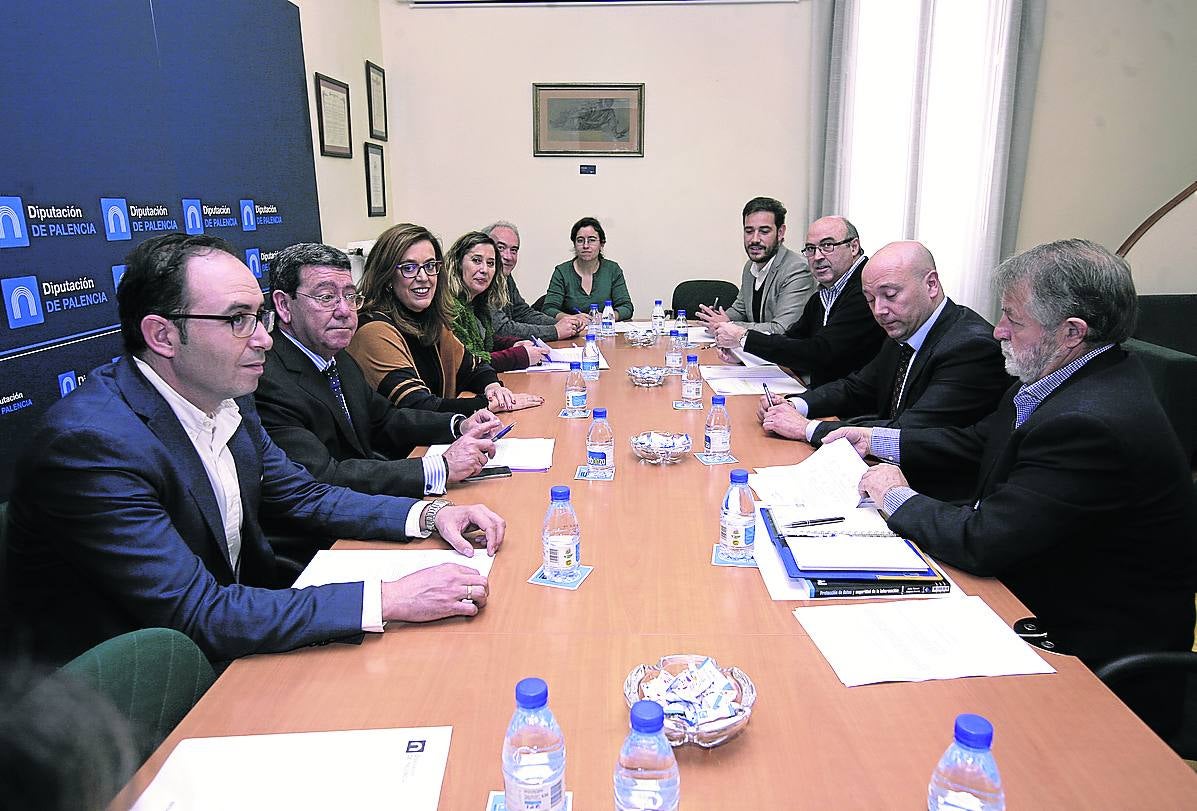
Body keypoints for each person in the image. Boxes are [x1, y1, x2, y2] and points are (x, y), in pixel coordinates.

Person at [1, 233, 506, 666]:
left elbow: (307, 497)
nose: (265, 338)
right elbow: (197, 613)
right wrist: (388, 598)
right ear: (163, 335)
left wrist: (429, 515)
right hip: (130, 700)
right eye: (238, 320)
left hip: (235, 631)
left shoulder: (226, 397)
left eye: (260, 315)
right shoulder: (92, 446)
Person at [826, 239, 1197, 735]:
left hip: (1082, 653)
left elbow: (984, 541)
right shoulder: (1058, 378)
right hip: (1032, 586)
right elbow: (978, 443)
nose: (997, 330)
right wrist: (877, 439)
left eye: (1013, 320)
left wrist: (897, 497)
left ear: (1070, 332)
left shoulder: (1091, 422)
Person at [757, 241, 1010, 500]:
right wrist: (795, 405)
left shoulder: (971, 347)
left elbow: (909, 430)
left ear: (931, 284)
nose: (880, 310)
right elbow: (857, 387)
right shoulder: (906, 328)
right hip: (887, 474)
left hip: (935, 495)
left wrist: (807, 429)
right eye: (870, 299)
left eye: (890, 295)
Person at [257, 242, 502, 505]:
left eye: (350, 296)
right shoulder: (269, 380)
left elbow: (386, 420)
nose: (344, 310)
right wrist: (439, 467)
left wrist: (458, 425)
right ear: (283, 305)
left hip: (366, 502)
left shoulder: (338, 356)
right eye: (326, 297)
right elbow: (325, 476)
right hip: (329, 528)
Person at [347, 223, 544, 415]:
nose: (424, 277)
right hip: (407, 446)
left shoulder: (428, 319)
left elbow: (473, 366)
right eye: (409, 268)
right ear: (387, 275)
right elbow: (418, 406)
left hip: (435, 437)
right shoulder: (373, 329)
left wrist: (494, 387)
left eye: (430, 266)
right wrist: (488, 403)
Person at [710, 216, 884, 387]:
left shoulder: (866, 290)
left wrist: (743, 338)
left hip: (852, 408)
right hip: (825, 396)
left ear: (853, 247)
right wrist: (743, 354)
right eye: (810, 248)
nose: (817, 257)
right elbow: (793, 341)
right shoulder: (823, 294)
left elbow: (820, 353)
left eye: (827, 246)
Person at [695, 196, 815, 334]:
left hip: (784, 353)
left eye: (764, 231)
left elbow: (782, 328)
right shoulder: (750, 266)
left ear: (780, 232)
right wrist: (717, 318)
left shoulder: (798, 269)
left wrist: (729, 325)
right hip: (756, 351)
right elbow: (740, 309)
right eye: (749, 231)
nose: (755, 239)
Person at [444, 231, 552, 372]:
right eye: (476, 260)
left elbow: (485, 341)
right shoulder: (450, 307)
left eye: (490, 263)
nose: (484, 270)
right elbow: (467, 363)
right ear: (458, 263)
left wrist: (513, 344)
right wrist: (519, 356)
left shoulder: (477, 304)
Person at [484, 220, 588, 342]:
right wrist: (554, 331)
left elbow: (522, 313)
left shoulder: (504, 276)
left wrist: (567, 324)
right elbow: (501, 329)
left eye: (514, 250)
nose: (509, 256)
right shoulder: (483, 280)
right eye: (501, 248)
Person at [541, 217, 634, 321]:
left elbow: (626, 308)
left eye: (592, 240)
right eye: (580, 240)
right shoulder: (562, 272)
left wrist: (607, 317)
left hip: (605, 331)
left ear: (602, 244)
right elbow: (548, 309)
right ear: (574, 244)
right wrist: (572, 318)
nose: (585, 246)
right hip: (571, 332)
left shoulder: (612, 270)